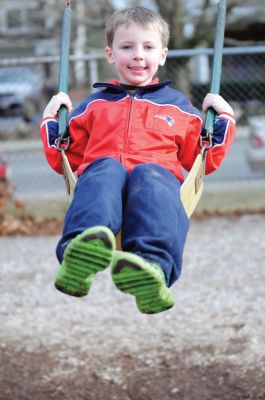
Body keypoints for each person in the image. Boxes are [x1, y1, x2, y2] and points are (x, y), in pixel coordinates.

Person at [40, 6, 236, 314]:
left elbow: (204, 160)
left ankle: (152, 269)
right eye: (127, 47)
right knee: (104, 170)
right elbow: (62, 156)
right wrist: (52, 119)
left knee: (152, 175)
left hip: (156, 187)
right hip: (103, 186)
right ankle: (81, 252)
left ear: (163, 55)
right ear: (110, 54)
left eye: (148, 47)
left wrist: (223, 116)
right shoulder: (93, 107)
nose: (137, 55)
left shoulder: (179, 109)